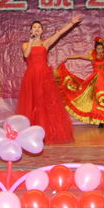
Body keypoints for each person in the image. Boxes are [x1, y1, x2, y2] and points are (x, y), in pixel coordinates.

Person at [16, 16, 81, 144]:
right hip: (31, 77)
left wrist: (71, 23)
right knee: (32, 103)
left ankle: (47, 133)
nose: (37, 29)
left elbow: (59, 33)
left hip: (44, 77)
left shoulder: (45, 43)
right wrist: (31, 41)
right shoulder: (25, 45)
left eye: (39, 27)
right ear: (30, 30)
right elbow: (26, 55)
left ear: (42, 30)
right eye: (34, 27)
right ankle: (30, 133)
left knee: (45, 104)